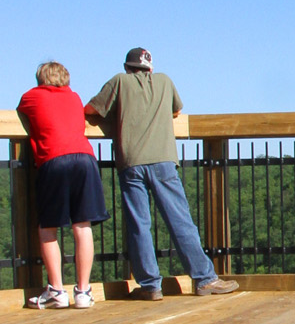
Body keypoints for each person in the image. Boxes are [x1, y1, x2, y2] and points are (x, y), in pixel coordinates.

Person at [85, 47, 238, 300]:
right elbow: (176, 111)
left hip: (131, 161)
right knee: (180, 221)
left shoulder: (119, 81)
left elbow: (91, 110)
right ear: (150, 68)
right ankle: (204, 279)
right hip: (164, 160)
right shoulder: (165, 81)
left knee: (139, 225)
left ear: (127, 67)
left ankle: (150, 286)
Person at [16, 61, 108, 310]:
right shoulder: (75, 97)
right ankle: (84, 292)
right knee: (82, 225)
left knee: (48, 228)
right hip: (85, 159)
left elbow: (22, 108)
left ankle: (57, 290)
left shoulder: (31, 97)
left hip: (53, 160)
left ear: (40, 79)